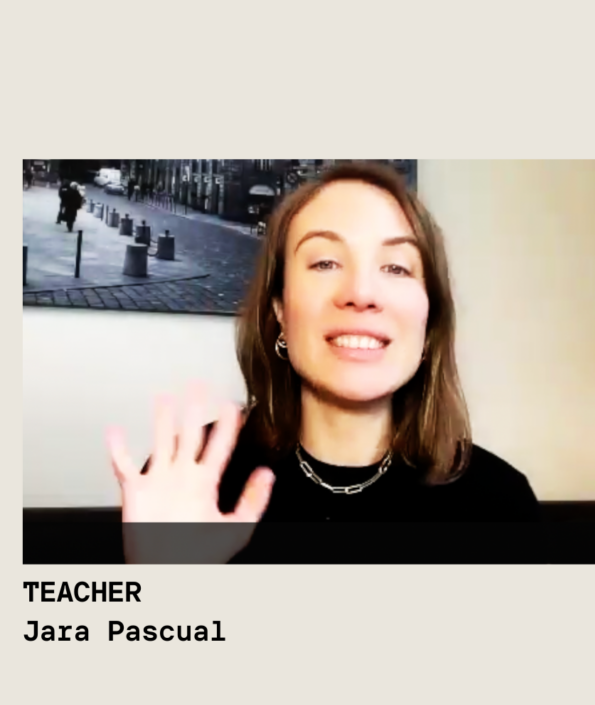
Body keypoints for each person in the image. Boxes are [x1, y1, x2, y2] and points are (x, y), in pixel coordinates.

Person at [107, 162, 540, 564]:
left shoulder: (499, 504)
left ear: (429, 322)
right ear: (279, 309)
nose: (361, 293)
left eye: (396, 267)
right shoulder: (188, 487)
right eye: (325, 262)